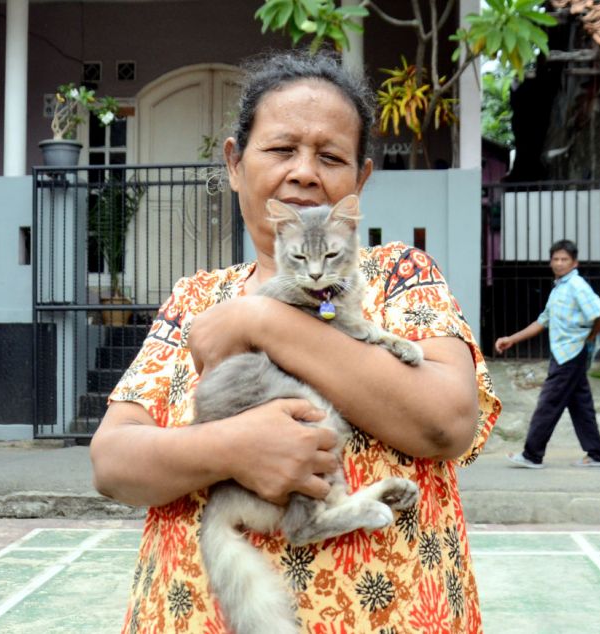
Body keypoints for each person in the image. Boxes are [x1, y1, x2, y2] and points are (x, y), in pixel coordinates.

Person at [90, 50, 500, 632]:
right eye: (282, 149)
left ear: (359, 179)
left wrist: (263, 321)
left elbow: (447, 421)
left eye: (330, 156)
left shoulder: (402, 275)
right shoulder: (193, 300)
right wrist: (234, 448)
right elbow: (112, 463)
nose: (305, 171)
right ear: (235, 164)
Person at [494, 239, 600, 469]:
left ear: (574, 263)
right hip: (565, 353)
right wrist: (512, 339)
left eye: (564, 259)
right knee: (580, 405)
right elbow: (542, 321)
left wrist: (590, 336)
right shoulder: (560, 288)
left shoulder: (577, 286)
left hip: (570, 354)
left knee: (549, 403)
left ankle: (532, 455)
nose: (559, 263)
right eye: (556, 259)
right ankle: (597, 455)